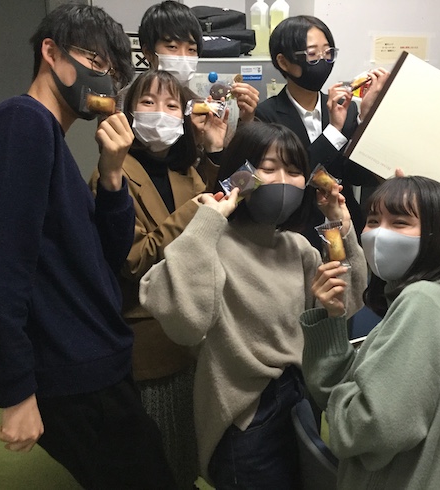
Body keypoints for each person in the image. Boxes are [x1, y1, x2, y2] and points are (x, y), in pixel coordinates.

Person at [0, 4, 175, 488]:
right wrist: (15, 391)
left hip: (94, 362)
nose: (103, 80)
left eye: (113, 74)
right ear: (50, 53)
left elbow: (104, 258)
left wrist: (112, 174)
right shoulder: (21, 122)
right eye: (94, 61)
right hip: (72, 373)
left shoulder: (51, 137)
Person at [138, 121, 368, 488]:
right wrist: (208, 220)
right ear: (240, 176)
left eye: (294, 170)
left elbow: (348, 302)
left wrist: (339, 223)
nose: (283, 181)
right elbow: (185, 324)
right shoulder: (212, 243)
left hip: (299, 398)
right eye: (268, 167)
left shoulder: (297, 248)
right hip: (246, 417)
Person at [299, 176, 440, 489]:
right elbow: (338, 388)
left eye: (400, 223)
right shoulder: (411, 297)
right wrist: (333, 316)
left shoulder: (423, 301)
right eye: (373, 221)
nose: (380, 234)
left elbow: (367, 429)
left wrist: (347, 403)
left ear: (436, 235)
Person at [89, 68, 226, 489]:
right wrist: (195, 212)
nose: (160, 113)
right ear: (128, 112)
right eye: (148, 103)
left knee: (188, 445)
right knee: (158, 451)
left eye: (171, 105)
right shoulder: (112, 173)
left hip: (193, 328)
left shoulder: (185, 170)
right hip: (148, 335)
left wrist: (214, 150)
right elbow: (134, 261)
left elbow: (213, 226)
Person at [255, 15, 388, 245]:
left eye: (328, 53)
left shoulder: (346, 108)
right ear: (284, 62)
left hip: (345, 227)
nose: (323, 61)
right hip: (294, 233)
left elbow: (358, 176)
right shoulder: (266, 115)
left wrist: (366, 118)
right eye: (312, 54)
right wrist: (334, 130)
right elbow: (297, 172)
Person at [138, 0, 260, 124]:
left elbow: (224, 135)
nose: (184, 56)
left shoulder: (201, 108)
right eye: (172, 47)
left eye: (191, 50)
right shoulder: (129, 101)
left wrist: (246, 118)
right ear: (148, 52)